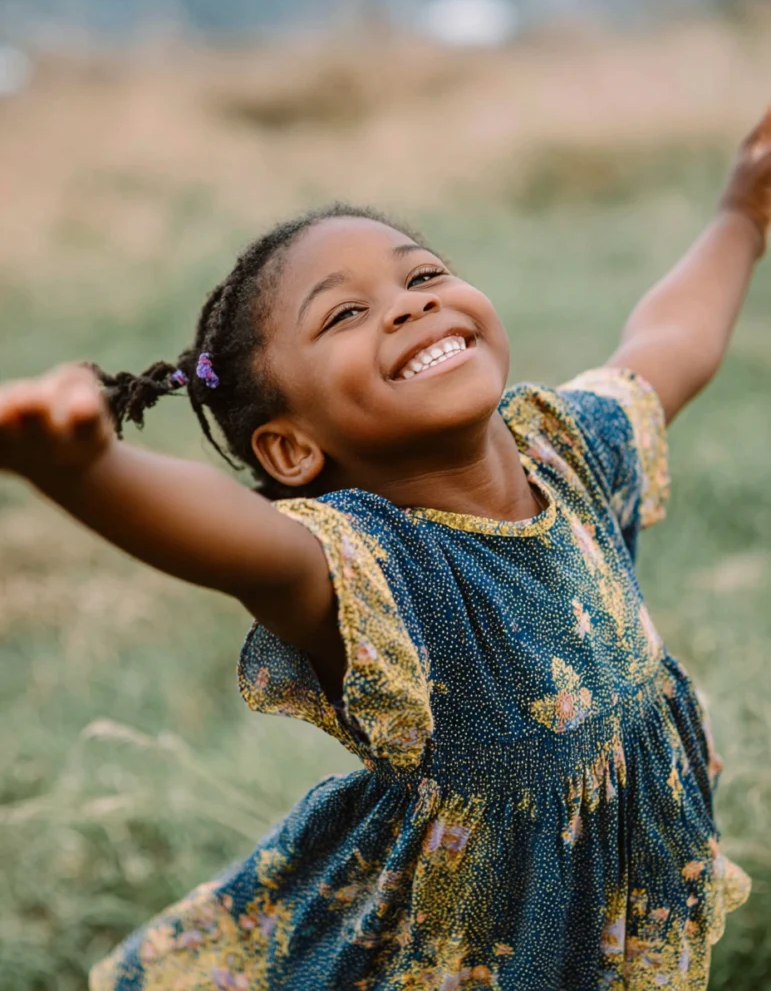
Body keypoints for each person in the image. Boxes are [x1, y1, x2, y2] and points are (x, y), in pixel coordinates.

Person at [2, 110, 771, 991]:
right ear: (291, 449)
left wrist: (739, 218)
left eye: (425, 275)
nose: (412, 303)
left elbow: (665, 345)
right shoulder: (375, 571)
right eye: (346, 314)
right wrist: (85, 472)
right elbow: (239, 542)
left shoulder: (563, 450)